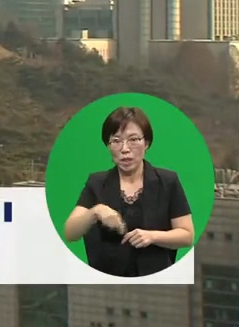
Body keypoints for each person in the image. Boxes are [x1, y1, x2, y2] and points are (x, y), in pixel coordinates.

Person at [61, 106, 195, 277]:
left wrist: (152, 236)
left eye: (133, 140)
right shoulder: (97, 183)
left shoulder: (168, 182)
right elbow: (70, 232)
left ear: (146, 143)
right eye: (116, 141)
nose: (124, 149)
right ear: (108, 146)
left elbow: (186, 235)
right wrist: (95, 212)